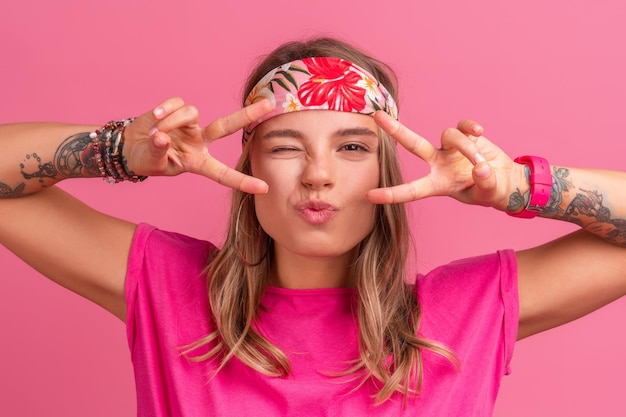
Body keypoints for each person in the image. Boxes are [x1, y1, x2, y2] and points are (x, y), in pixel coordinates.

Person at [0, 36, 624, 416]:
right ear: (248, 162)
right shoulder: (166, 286)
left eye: (352, 148)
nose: (318, 175)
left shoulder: (464, 315)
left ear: (385, 171)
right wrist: (114, 151)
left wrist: (516, 186)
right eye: (287, 146)